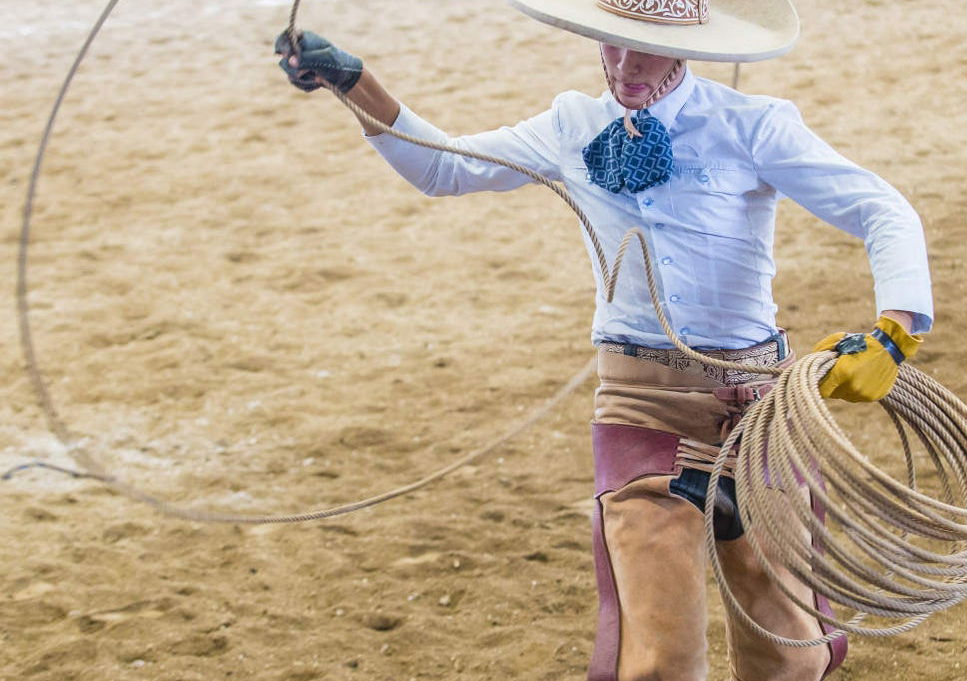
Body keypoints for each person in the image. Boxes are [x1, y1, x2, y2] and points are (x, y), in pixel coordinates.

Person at [275, 1, 932, 679]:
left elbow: (880, 207)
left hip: (761, 406)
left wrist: (895, 332)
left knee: (790, 650)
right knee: (654, 658)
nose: (625, 66)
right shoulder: (571, 125)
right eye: (612, 46)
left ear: (688, 47)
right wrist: (354, 83)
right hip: (638, 403)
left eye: (643, 49)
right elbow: (445, 166)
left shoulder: (752, 126)